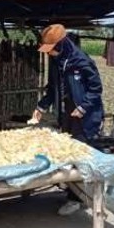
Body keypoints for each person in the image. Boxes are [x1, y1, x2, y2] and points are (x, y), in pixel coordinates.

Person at [31, 24, 104, 215]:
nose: (49, 53)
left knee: (79, 155)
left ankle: (77, 199)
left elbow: (96, 89)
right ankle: (75, 192)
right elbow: (53, 88)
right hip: (67, 114)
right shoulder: (57, 63)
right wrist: (41, 106)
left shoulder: (81, 61)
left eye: (51, 49)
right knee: (68, 152)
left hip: (85, 116)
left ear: (62, 45)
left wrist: (83, 107)